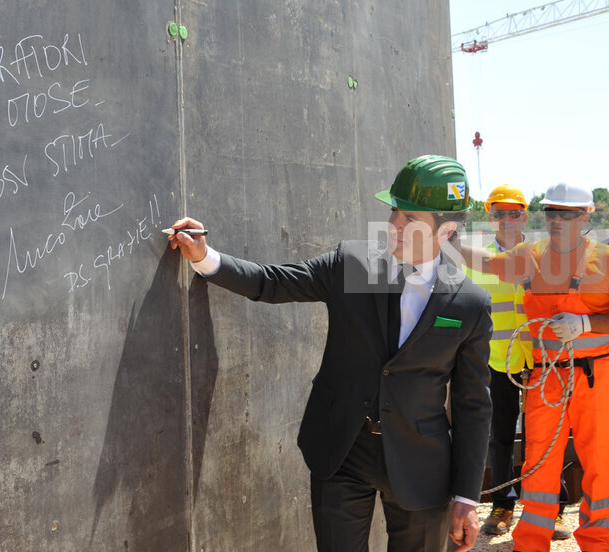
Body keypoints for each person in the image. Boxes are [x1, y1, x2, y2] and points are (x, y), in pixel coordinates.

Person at [167, 155, 493, 552]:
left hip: (421, 465)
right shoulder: (353, 264)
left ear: (446, 231)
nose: (394, 226)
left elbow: (473, 403)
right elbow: (274, 282)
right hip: (342, 450)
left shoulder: (470, 304)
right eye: (394, 212)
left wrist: (466, 496)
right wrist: (204, 257)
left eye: (411, 219)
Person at [463, 182, 609, 552]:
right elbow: (484, 262)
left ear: (585, 217)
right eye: (550, 212)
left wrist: (587, 324)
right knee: (538, 463)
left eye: (566, 213)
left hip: (597, 376)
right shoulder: (529, 256)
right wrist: (443, 238)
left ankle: (596, 543)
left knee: (599, 463)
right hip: (546, 377)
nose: (556, 220)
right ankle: (532, 543)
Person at [467, 185, 573, 540]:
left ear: (525, 216)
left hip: (542, 362)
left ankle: (550, 509)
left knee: (543, 439)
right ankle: (502, 506)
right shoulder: (479, 263)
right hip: (498, 363)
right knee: (499, 437)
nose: (507, 219)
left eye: (514, 213)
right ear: (490, 216)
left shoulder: (545, 256)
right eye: (500, 213)